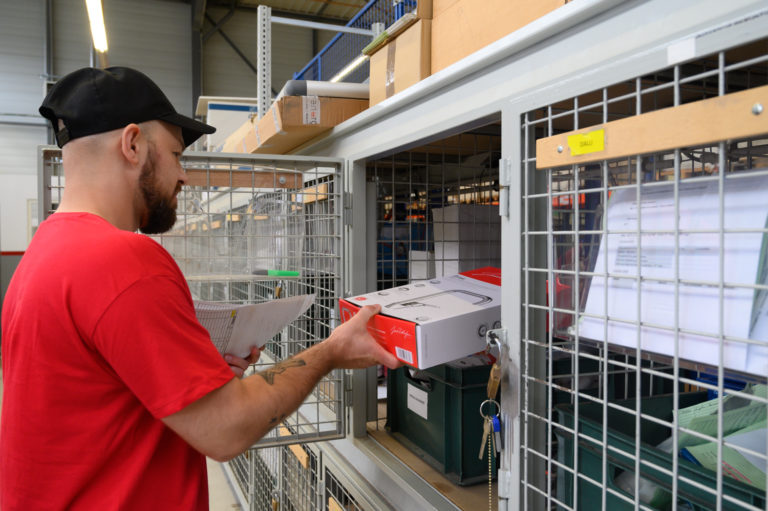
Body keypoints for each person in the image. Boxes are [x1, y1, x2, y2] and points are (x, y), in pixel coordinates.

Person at [0, 66, 400, 510]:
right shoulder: (123, 261)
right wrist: (331, 351)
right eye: (175, 154)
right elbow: (225, 431)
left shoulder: (43, 254)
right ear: (132, 145)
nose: (183, 176)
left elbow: (98, 399)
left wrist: (195, 380)